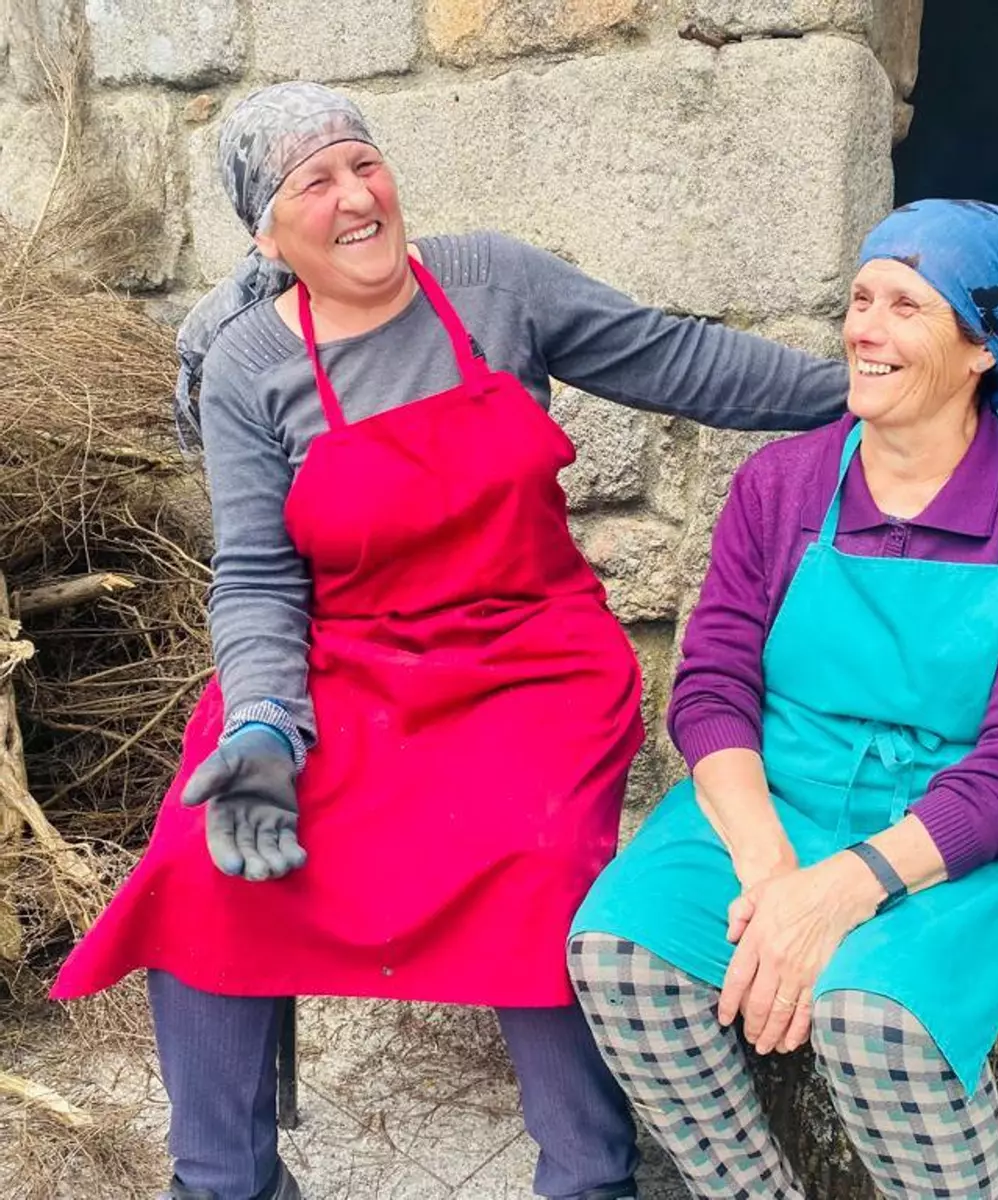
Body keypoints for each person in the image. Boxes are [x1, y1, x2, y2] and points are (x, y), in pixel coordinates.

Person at [49, 83, 851, 1200]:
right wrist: (266, 727)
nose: (354, 196)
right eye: (314, 183)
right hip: (346, 668)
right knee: (201, 864)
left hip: (534, 664)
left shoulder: (492, 284)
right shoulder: (248, 364)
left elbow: (677, 359)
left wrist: (868, 393)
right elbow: (259, 575)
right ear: (266, 236)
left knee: (537, 869)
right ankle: (225, 1181)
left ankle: (590, 1178)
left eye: (363, 163)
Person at [569, 199, 998, 1199]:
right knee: (618, 956)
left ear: (982, 348)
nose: (865, 328)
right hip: (780, 792)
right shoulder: (780, 484)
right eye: (862, 299)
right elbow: (713, 687)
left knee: (879, 1025)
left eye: (907, 306)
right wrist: (769, 870)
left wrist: (837, 895)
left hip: (951, 823)